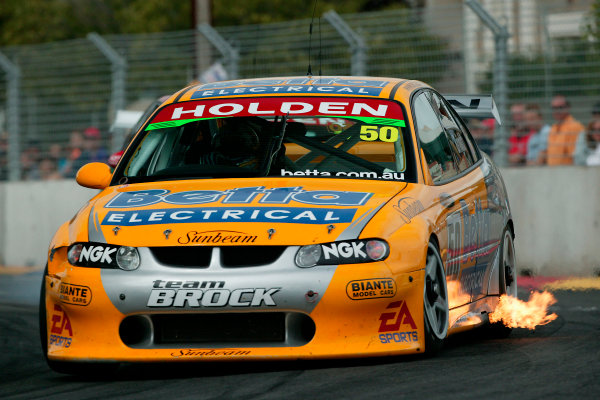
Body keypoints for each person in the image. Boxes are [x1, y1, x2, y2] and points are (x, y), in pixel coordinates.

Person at [546, 95, 585, 165]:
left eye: (560, 107)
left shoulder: (574, 127)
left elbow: (575, 157)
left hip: (568, 173)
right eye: (554, 108)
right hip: (553, 173)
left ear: (568, 108)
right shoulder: (553, 128)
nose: (557, 111)